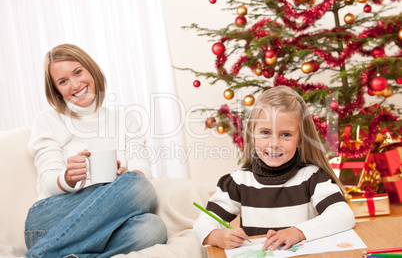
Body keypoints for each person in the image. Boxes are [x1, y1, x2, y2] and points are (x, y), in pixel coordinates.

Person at [24, 43, 167, 258]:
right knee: (137, 186)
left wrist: (126, 176)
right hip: (49, 220)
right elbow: (47, 182)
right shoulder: (48, 120)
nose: (75, 84)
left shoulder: (123, 118)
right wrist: (68, 177)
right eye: (63, 81)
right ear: (56, 90)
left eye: (78, 72)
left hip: (103, 223)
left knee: (153, 228)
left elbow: (141, 166)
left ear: (91, 69)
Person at [193, 85, 355, 251]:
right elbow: (203, 223)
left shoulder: (313, 177)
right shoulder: (238, 182)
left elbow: (343, 215)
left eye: (286, 135)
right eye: (265, 132)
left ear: (300, 140)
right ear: (252, 134)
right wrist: (216, 236)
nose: (274, 143)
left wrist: (298, 232)